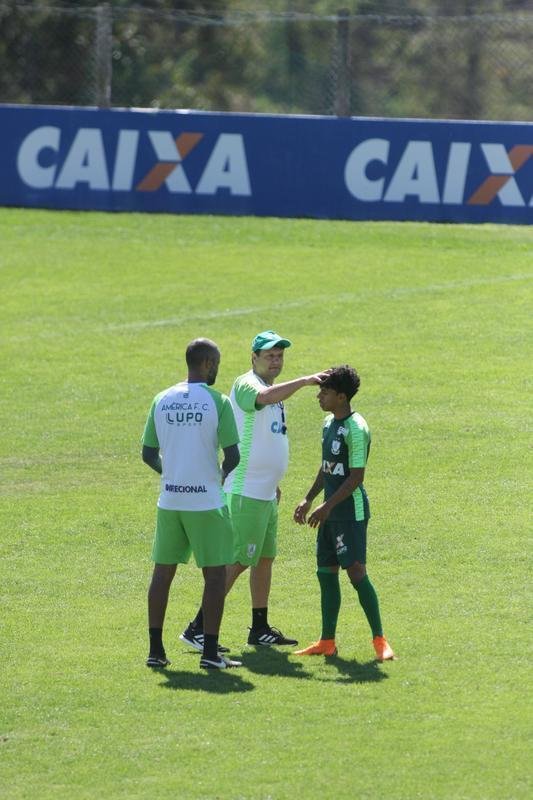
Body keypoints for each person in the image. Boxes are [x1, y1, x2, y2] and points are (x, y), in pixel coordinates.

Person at [180, 330, 329, 650]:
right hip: (245, 490)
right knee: (238, 560)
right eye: (269, 356)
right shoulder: (248, 384)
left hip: (264, 492)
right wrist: (304, 381)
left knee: (263, 559)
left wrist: (273, 483)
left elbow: (266, 439)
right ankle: (197, 628)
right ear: (254, 358)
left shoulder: (274, 391)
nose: (276, 361)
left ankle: (259, 627)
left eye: (279, 356)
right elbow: (261, 401)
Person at [142, 338, 242, 670]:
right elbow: (233, 455)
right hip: (206, 503)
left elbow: (147, 453)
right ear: (208, 364)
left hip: (170, 500)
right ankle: (210, 654)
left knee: (163, 573)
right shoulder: (219, 402)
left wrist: (169, 472)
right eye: (217, 363)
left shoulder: (161, 399)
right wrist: (218, 478)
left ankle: (155, 651)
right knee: (214, 577)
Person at [293, 365, 395, 662]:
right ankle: (327, 641)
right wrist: (309, 498)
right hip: (329, 512)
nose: (319, 397)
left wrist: (327, 506)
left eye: (324, 392)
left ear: (341, 397)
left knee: (356, 572)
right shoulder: (328, 423)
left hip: (349, 513)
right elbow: (328, 468)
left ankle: (380, 640)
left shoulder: (356, 428)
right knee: (326, 572)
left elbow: (355, 477)